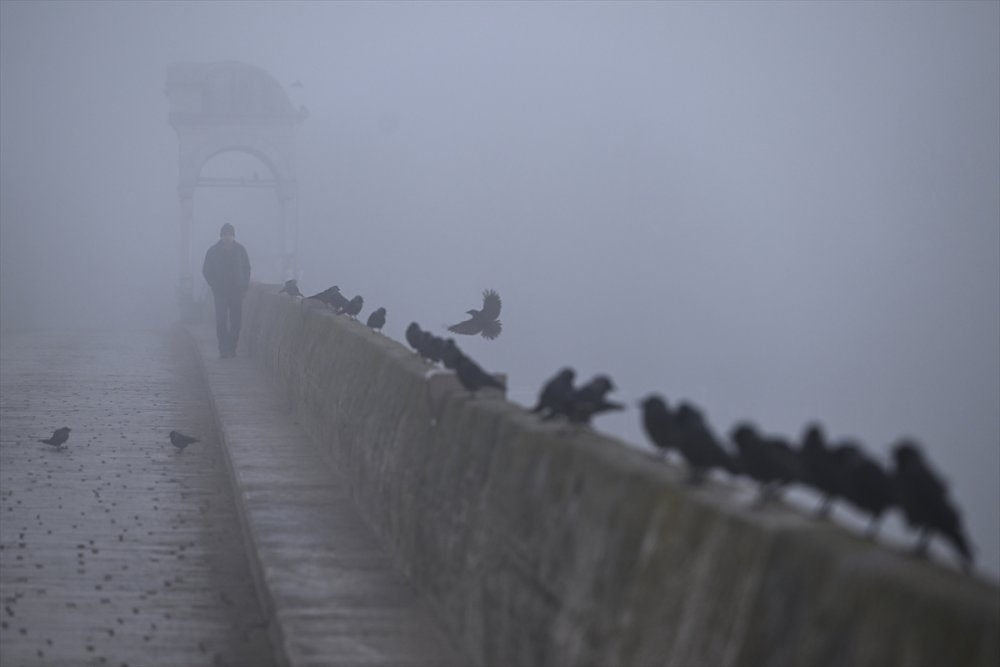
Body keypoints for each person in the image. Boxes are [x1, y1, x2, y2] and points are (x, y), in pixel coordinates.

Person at [202, 222, 251, 358]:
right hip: (220, 292)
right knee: (221, 320)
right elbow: (206, 270)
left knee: (236, 321)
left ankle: (232, 348)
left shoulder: (240, 250)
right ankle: (223, 349)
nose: (227, 237)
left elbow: (247, 268)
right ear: (221, 236)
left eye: (229, 235)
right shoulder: (213, 251)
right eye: (225, 235)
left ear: (233, 236)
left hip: (236, 291)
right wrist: (214, 285)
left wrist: (245, 286)